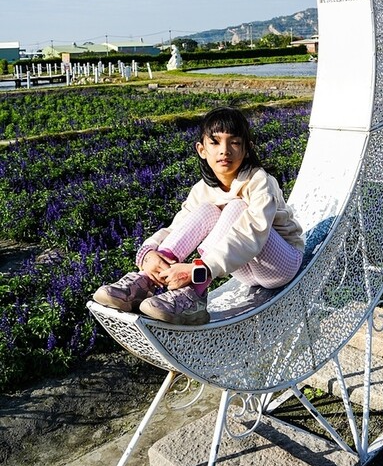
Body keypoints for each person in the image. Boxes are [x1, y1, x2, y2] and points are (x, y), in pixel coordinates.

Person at [92, 107, 304, 326]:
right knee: (206, 210)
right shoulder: (202, 190)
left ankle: (194, 293)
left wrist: (200, 269)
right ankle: (146, 282)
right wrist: (149, 253)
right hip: (243, 271)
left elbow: (252, 234)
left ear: (247, 149)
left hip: (281, 266)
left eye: (234, 142)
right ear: (201, 150)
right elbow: (177, 228)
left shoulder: (259, 181)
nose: (224, 151)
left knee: (236, 207)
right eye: (215, 142)